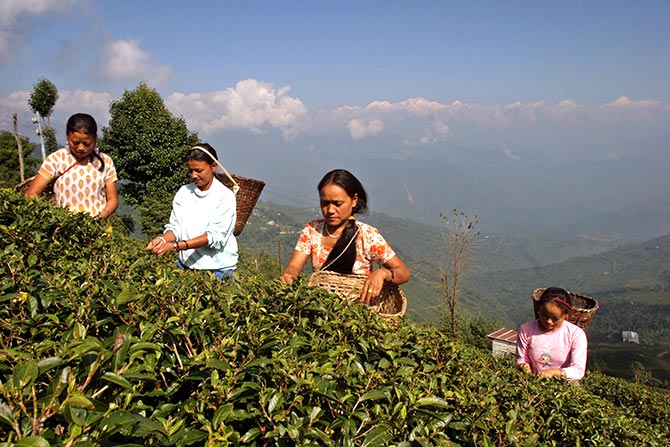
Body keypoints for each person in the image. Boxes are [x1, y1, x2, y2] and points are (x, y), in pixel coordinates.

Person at [280, 169, 410, 304]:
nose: (330, 210)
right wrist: (289, 276)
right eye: (325, 203)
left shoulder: (367, 236)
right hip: (321, 306)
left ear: (354, 200)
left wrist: (383, 273)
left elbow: (404, 272)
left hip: (359, 310)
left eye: (337, 204)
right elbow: (294, 266)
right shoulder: (312, 231)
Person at [146, 144, 238, 280]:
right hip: (187, 267)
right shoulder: (184, 192)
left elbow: (214, 237)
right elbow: (176, 227)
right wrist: (162, 239)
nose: (194, 175)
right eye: (191, 171)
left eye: (199, 170)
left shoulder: (224, 196)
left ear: (213, 167)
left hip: (218, 270)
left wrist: (176, 246)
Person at [25, 113, 118, 218]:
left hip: (99, 229)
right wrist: (49, 218)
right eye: (75, 143)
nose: (81, 148)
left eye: (87, 144)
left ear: (95, 139)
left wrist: (100, 218)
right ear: (68, 136)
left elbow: (112, 199)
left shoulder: (105, 162)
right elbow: (32, 193)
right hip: (63, 229)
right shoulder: (56, 159)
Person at [516, 287, 588, 380]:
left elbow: (578, 370)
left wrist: (556, 373)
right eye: (544, 315)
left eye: (555, 318)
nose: (549, 321)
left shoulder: (576, 334)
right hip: (532, 383)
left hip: (563, 387)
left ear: (566, 315)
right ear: (539, 309)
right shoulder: (526, 330)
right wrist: (523, 365)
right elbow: (521, 358)